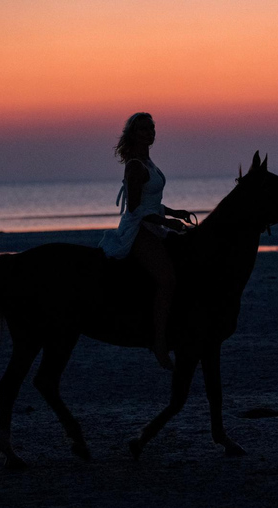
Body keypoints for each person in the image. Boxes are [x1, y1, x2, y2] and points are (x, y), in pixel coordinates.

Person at [99, 113, 192, 371]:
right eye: (144, 129)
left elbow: (153, 203)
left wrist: (175, 213)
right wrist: (166, 222)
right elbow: (135, 209)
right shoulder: (136, 166)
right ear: (133, 133)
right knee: (167, 280)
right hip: (139, 230)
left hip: (154, 225)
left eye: (152, 128)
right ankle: (160, 344)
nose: (150, 132)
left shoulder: (148, 161)